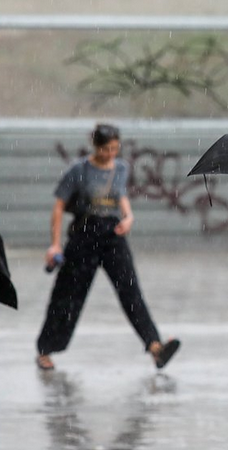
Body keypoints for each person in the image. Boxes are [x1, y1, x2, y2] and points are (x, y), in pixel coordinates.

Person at [36, 123, 180, 372]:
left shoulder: (121, 168)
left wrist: (128, 217)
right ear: (96, 146)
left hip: (112, 234)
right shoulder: (78, 170)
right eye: (106, 149)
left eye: (115, 148)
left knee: (130, 291)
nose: (111, 153)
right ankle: (46, 349)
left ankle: (155, 346)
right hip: (83, 235)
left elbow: (120, 196)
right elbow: (58, 207)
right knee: (69, 294)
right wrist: (55, 244)